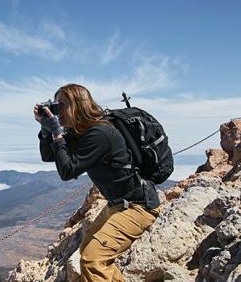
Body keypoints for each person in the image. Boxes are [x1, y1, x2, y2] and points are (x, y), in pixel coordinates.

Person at [34, 84, 161, 282]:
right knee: (86, 252)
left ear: (77, 105)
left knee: (92, 260)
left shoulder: (99, 133)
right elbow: (49, 155)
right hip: (118, 205)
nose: (58, 111)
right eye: (56, 106)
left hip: (138, 207)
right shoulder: (81, 133)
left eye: (62, 105)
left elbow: (67, 171)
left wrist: (56, 132)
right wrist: (45, 129)